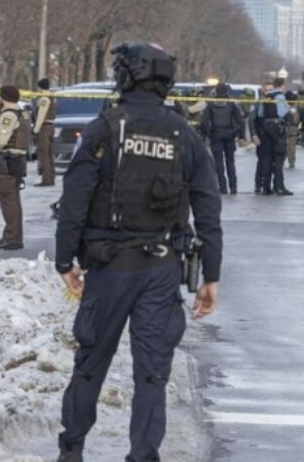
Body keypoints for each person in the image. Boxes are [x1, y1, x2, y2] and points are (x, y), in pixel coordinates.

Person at [53, 43, 222, 462]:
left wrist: (64, 260)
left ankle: (71, 450)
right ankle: (143, 455)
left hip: (109, 268)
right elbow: (207, 205)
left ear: (125, 77)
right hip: (162, 269)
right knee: (152, 372)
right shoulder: (184, 134)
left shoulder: (104, 128)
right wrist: (212, 275)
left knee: (91, 363)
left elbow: (75, 197)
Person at [0, 85, 29, 250]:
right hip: (18, 161)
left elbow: (2, 140)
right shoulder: (22, 113)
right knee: (14, 200)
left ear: (3, 97)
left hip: (7, 161)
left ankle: (11, 238)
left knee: (7, 200)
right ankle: (15, 237)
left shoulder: (8, 115)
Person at [200, 83, 244, 194]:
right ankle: (233, 187)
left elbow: (204, 121)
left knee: (219, 163)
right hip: (229, 134)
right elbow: (241, 121)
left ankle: (223, 188)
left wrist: (209, 134)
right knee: (230, 162)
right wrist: (240, 135)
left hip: (216, 135)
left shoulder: (211, 104)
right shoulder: (231, 104)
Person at [257, 78, 293, 196]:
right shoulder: (280, 97)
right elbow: (281, 112)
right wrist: (289, 108)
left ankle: (266, 187)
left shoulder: (266, 96)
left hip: (266, 127)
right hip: (277, 128)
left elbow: (260, 114)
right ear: (282, 86)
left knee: (267, 158)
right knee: (279, 158)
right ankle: (279, 187)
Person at [33, 77, 59, 186]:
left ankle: (46, 179)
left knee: (43, 153)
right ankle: (51, 177)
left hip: (44, 127)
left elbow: (41, 116)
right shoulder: (53, 96)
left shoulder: (44, 98)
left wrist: (36, 130)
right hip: (51, 126)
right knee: (49, 153)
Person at [285, 89, 301, 169]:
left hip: (293, 128)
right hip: (285, 127)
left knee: (291, 147)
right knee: (284, 146)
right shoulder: (284, 104)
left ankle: (291, 162)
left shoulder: (296, 105)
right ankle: (281, 160)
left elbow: (299, 116)